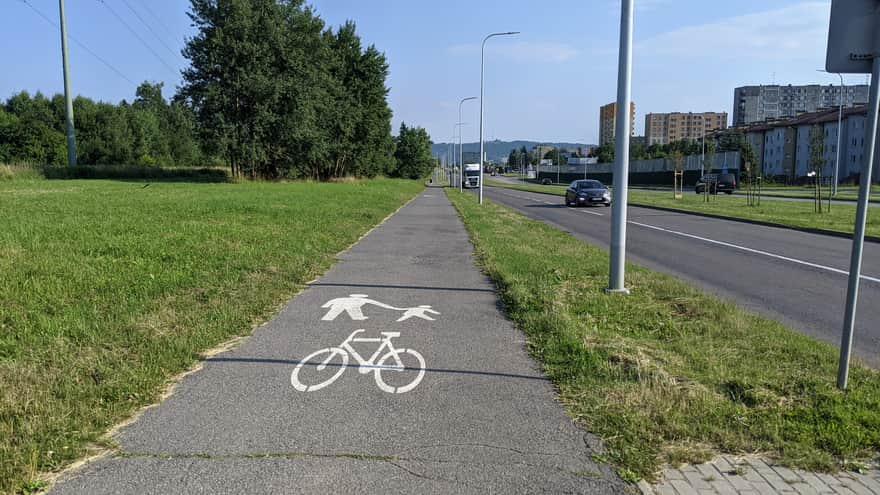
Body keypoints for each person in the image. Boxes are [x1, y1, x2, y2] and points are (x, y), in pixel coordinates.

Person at [320, 294, 400, 321]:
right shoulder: (362, 300)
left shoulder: (343, 299)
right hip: (344, 306)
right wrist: (392, 308)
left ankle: (358, 317)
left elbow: (333, 301)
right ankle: (358, 317)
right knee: (353, 310)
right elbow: (377, 303)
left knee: (354, 310)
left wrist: (326, 305)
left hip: (341, 306)